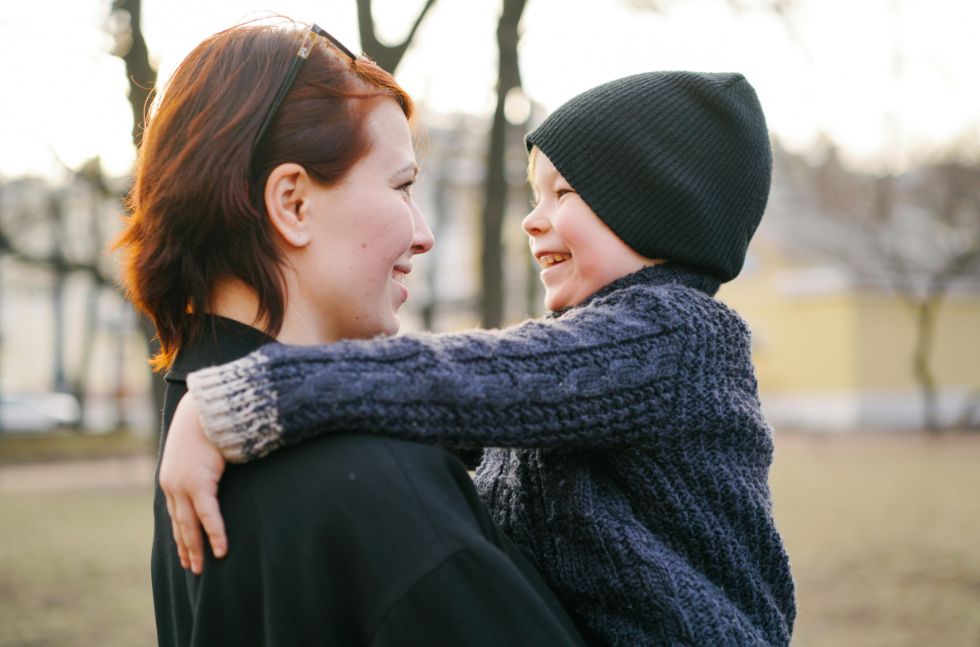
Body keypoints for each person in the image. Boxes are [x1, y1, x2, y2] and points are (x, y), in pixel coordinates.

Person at [163, 70, 798, 645]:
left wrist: (250, 396)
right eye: (533, 195)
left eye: (564, 193)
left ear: (655, 212)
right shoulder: (583, 358)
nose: (531, 220)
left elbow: (469, 380)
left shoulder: (676, 336)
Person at [113, 19, 585, 647]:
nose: (423, 233)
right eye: (402, 186)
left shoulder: (196, 426)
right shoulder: (373, 482)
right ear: (294, 204)